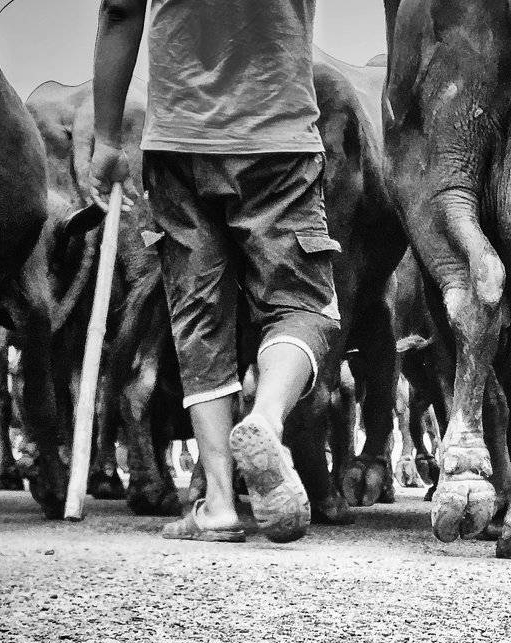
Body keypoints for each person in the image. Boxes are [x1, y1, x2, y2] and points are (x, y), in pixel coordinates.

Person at [90, 0, 339, 543]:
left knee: (198, 321)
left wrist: (106, 138)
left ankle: (220, 504)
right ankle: (266, 418)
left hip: (176, 140)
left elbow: (120, 10)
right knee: (303, 306)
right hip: (278, 135)